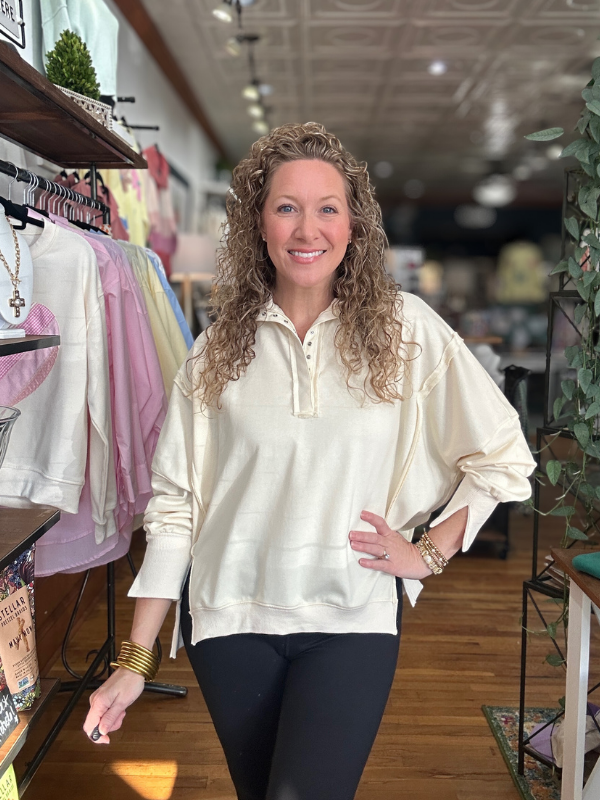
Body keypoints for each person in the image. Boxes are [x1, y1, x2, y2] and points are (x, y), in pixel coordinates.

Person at [83, 122, 536, 800]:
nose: (307, 229)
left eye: (327, 208)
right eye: (286, 207)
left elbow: (502, 455)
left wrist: (429, 554)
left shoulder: (406, 330)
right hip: (229, 623)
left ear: (353, 226)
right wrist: (135, 661)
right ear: (258, 225)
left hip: (351, 619)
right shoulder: (213, 353)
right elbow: (174, 508)